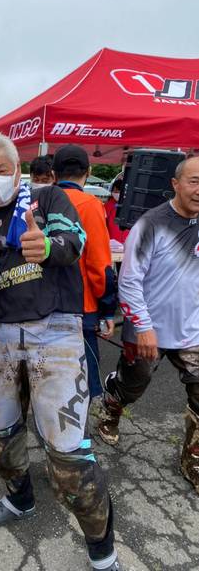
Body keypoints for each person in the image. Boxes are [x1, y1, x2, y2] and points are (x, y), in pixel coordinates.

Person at [0, 134, 121, 571]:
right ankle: (20, 501)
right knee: (0, 433)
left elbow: (74, 242)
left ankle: (102, 553)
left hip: (57, 332)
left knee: (69, 456)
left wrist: (49, 246)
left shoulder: (49, 198)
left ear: (18, 168)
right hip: (2, 335)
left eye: (2, 170)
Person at [98, 158, 199, 488]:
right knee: (132, 388)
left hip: (193, 331)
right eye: (194, 181)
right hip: (147, 330)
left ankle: (193, 462)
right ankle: (111, 408)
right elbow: (129, 281)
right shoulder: (151, 224)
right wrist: (142, 326)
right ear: (175, 184)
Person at [52, 145, 117, 400]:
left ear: (54, 173)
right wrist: (107, 308)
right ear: (88, 172)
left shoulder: (37, 202)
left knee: (48, 380)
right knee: (83, 381)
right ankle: (81, 426)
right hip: (81, 306)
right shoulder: (91, 205)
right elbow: (100, 266)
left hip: (40, 305)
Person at [104, 178, 129, 244]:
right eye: (114, 190)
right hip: (111, 241)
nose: (115, 192)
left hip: (126, 241)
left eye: (117, 190)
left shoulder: (130, 205)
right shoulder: (107, 205)